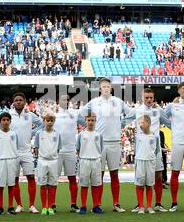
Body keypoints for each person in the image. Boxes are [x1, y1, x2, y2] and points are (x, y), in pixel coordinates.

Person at [79, 77, 132, 213]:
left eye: (108, 86)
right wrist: (88, 125)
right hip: (99, 143)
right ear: (100, 88)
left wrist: (122, 124)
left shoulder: (118, 102)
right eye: (103, 86)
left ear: (111, 88)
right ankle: (98, 204)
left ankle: (116, 203)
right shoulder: (94, 102)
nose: (106, 88)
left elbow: (132, 113)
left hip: (115, 141)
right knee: (99, 174)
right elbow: (80, 114)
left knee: (114, 174)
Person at [123, 88, 168, 212]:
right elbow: (124, 121)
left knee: (158, 176)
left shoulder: (158, 110)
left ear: (154, 98)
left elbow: (169, 123)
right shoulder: (137, 110)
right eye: (146, 97)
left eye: (151, 98)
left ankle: (158, 204)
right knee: (141, 177)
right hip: (142, 149)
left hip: (155, 149)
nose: (149, 100)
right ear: (142, 98)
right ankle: (140, 205)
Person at [163, 82, 184, 212]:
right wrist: (173, 127)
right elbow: (162, 116)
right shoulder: (172, 106)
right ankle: (174, 203)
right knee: (175, 173)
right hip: (177, 143)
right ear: (179, 91)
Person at [9, 92, 43, 214]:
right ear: (13, 102)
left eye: (20, 100)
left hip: (27, 151)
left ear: (24, 102)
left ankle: (32, 205)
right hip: (12, 152)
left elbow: (42, 124)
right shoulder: (9, 115)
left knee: (31, 178)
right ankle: (19, 205)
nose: (18, 102)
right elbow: (0, 126)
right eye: (16, 100)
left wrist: (32, 133)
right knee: (15, 179)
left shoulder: (30, 115)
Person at [54, 94, 81, 212]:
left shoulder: (75, 114)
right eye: (63, 99)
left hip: (70, 150)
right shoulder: (54, 115)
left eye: (67, 100)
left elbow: (88, 122)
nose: (65, 101)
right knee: (54, 179)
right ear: (58, 102)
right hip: (57, 151)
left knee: (72, 178)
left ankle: (73, 204)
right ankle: (52, 204)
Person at [34, 113, 62, 216]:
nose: (49, 122)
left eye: (51, 120)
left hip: (53, 161)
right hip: (42, 161)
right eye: (47, 120)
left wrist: (53, 156)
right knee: (43, 185)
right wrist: (41, 157)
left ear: (54, 122)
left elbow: (58, 148)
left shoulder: (57, 134)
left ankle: (50, 207)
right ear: (44, 121)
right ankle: (44, 207)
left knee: (52, 185)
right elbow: (36, 147)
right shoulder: (39, 133)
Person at [0, 112, 19, 215]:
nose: (6, 122)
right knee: (0, 185)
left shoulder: (14, 134)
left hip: (12, 160)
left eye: (7, 120)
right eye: (3, 120)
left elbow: (16, 146)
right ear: (0, 121)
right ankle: (0, 207)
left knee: (11, 184)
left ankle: (11, 207)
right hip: (1, 161)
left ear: (10, 121)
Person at [76, 112, 103, 214]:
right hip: (84, 161)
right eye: (89, 120)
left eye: (93, 120)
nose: (91, 122)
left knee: (96, 185)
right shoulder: (81, 134)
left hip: (96, 161)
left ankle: (96, 206)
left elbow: (101, 147)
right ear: (85, 121)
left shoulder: (98, 135)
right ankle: (83, 206)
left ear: (95, 121)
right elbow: (78, 149)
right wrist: (83, 157)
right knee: (84, 184)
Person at [133, 115, 161, 214]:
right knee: (139, 185)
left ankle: (149, 206)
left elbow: (157, 149)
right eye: (140, 123)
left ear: (148, 123)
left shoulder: (155, 136)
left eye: (143, 122)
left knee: (149, 185)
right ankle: (141, 206)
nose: (141, 124)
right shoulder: (138, 136)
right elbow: (136, 149)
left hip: (150, 162)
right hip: (140, 161)